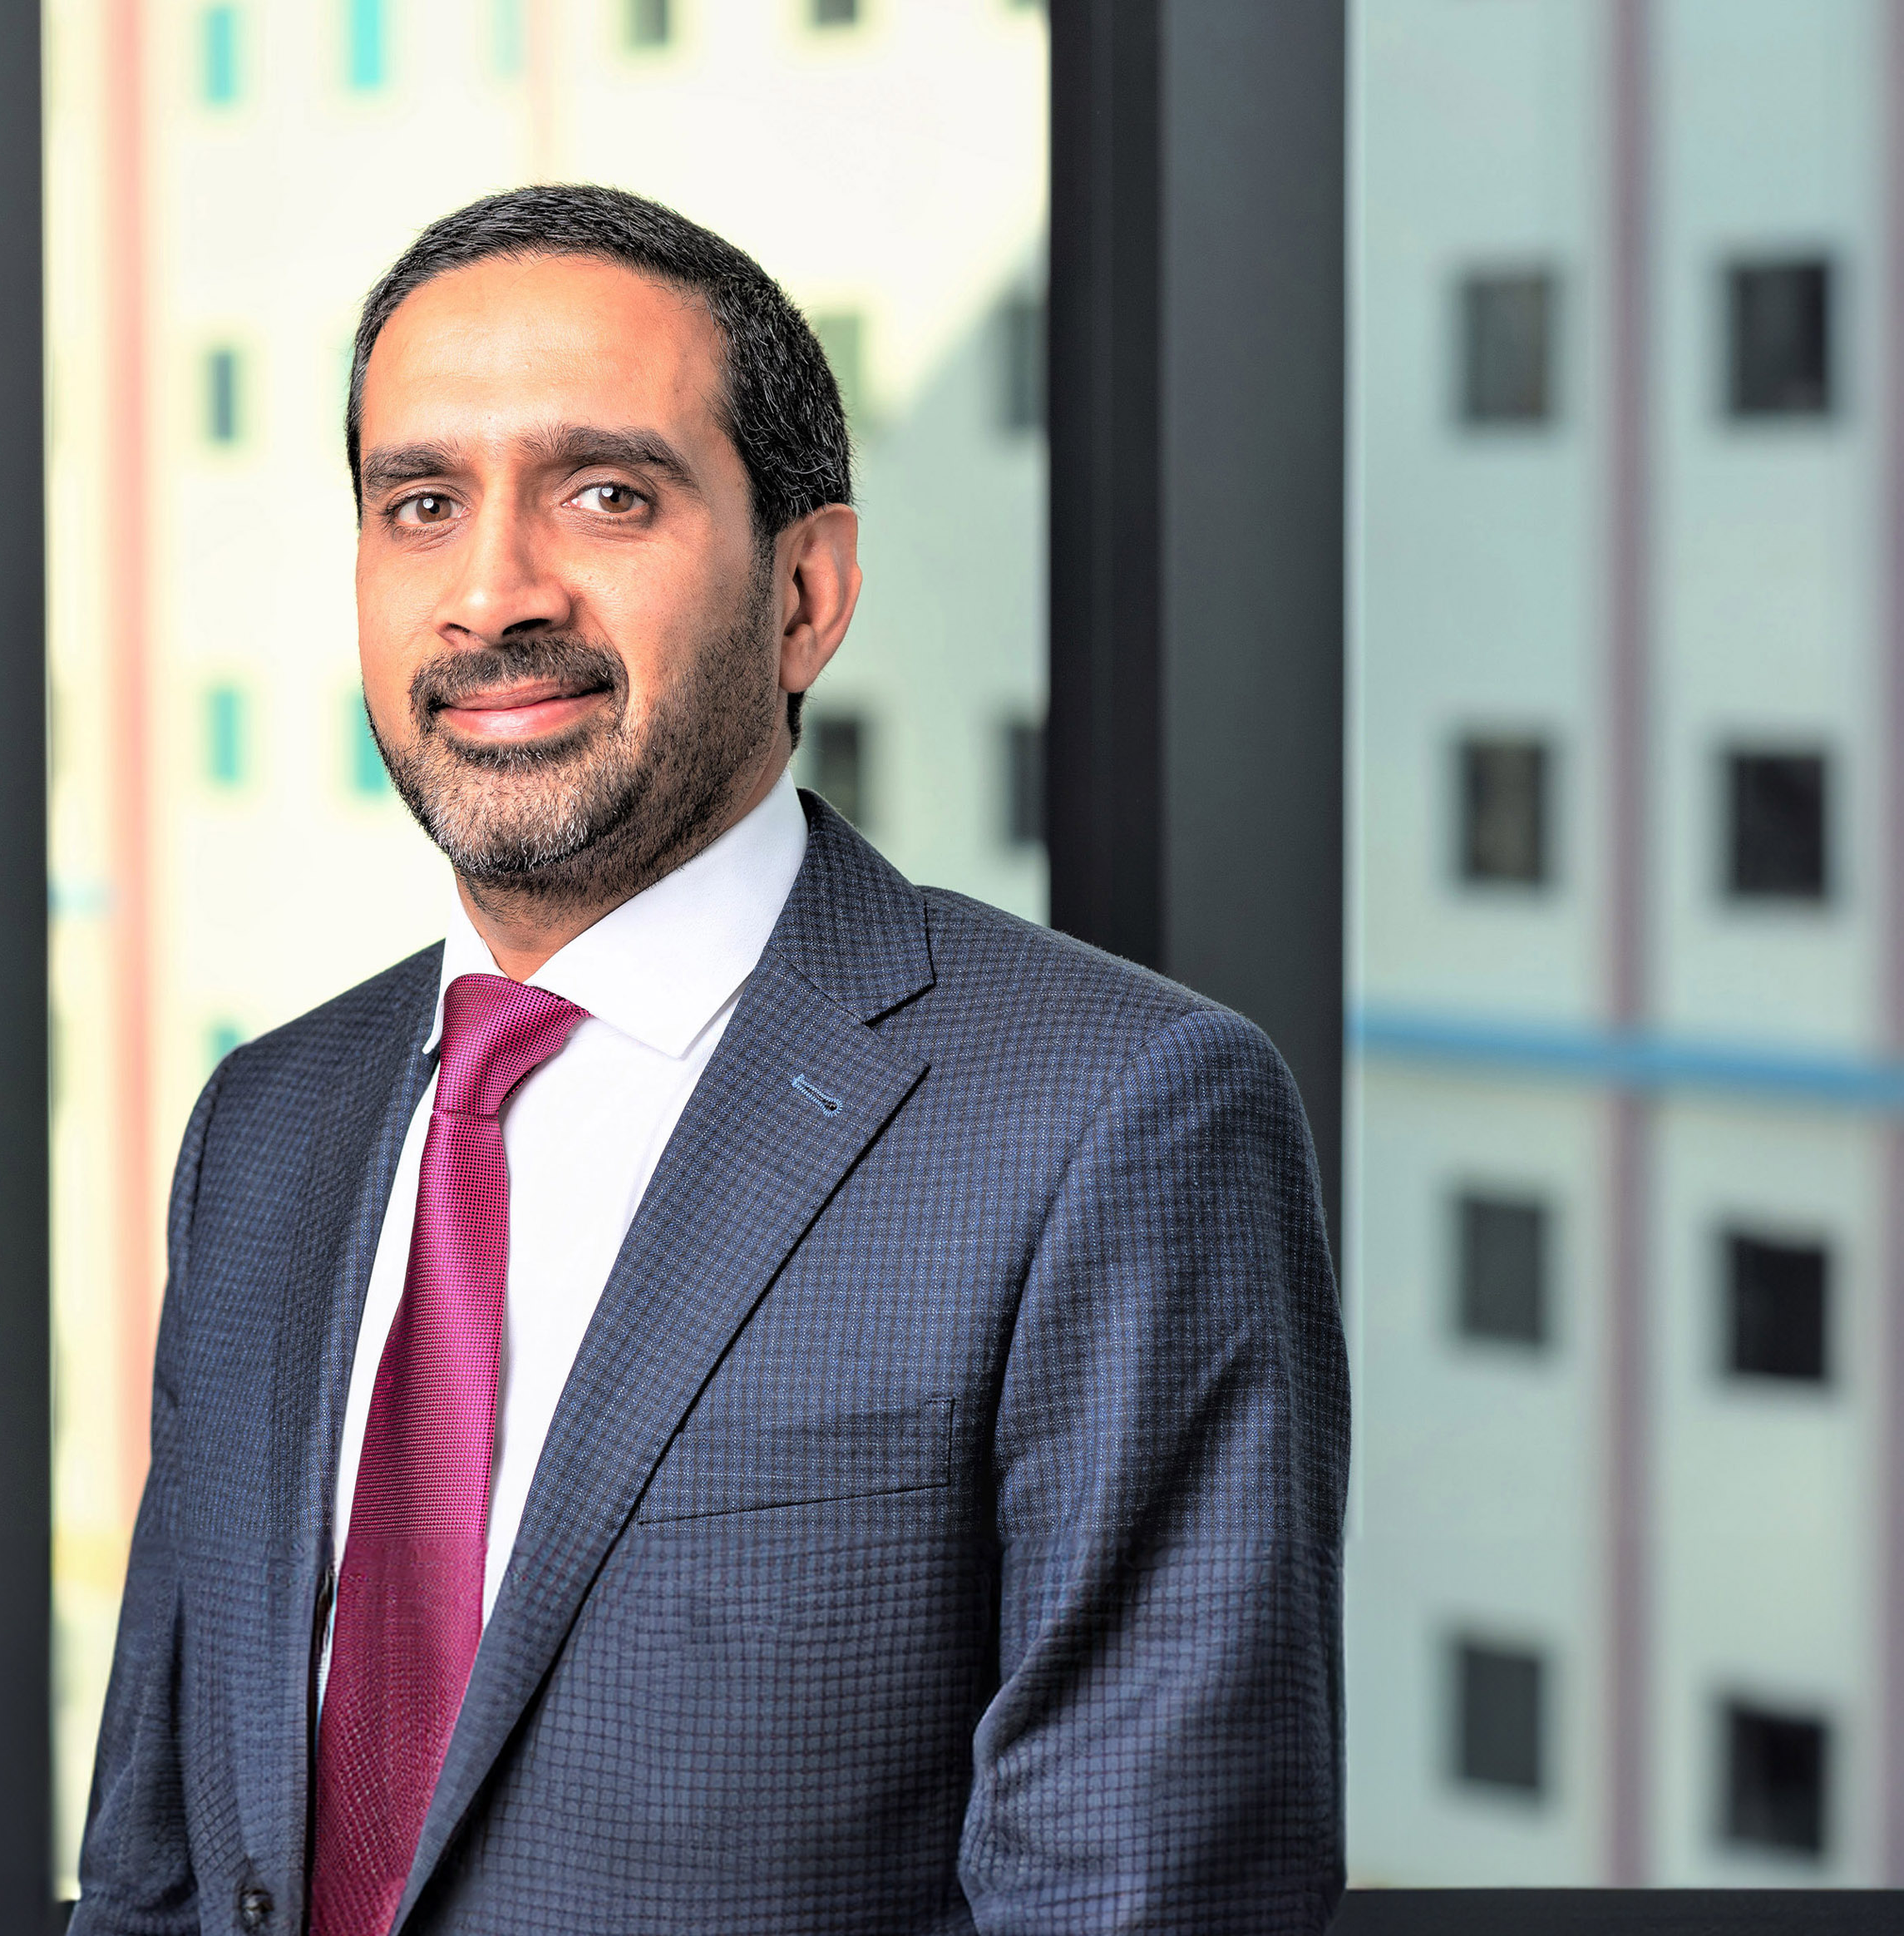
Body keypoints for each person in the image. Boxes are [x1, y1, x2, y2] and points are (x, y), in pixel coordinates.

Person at [72, 185, 1347, 1936]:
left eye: (607, 492)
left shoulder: (1113, 1122)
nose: (493, 594)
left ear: (807, 593)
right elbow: (153, 1862)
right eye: (421, 504)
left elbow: (1139, 1897)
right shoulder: (269, 1123)